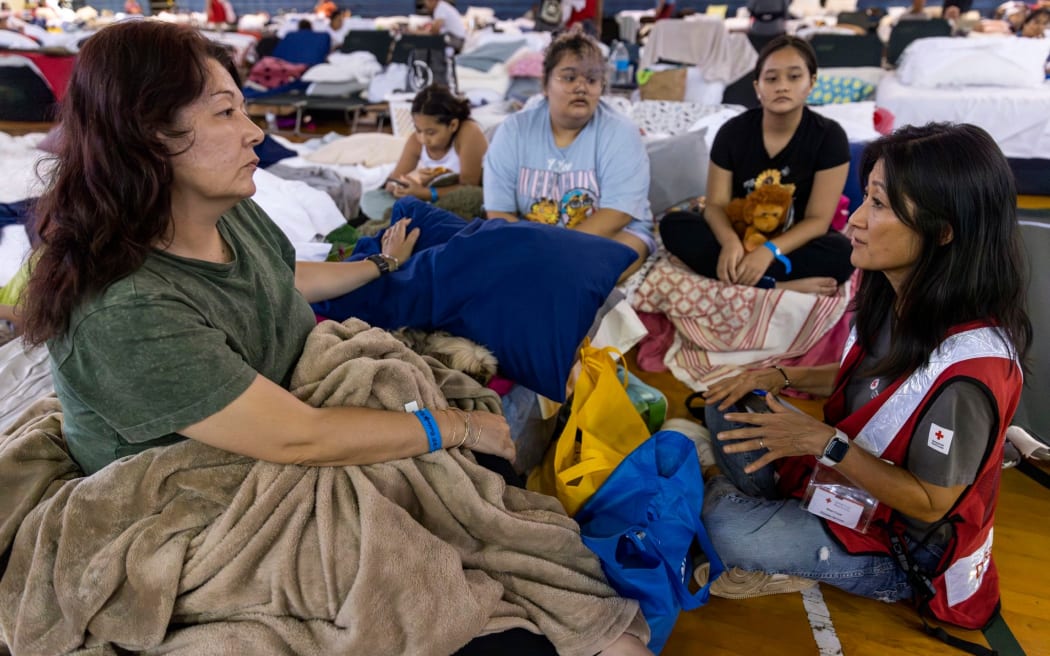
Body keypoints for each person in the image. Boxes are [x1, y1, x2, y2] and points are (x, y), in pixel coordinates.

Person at [18, 20, 651, 656]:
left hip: (284, 416)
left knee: (480, 496)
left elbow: (279, 275)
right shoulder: (128, 309)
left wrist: (378, 266)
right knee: (470, 604)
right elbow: (300, 436)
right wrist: (453, 425)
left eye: (244, 107)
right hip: (207, 492)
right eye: (225, 112)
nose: (256, 133)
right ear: (151, 134)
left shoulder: (224, 209)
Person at [697, 123, 1030, 632]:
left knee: (720, 526)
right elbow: (873, 382)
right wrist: (780, 373)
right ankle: (768, 509)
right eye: (866, 198)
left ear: (943, 231)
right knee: (725, 395)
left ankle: (753, 508)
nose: (853, 220)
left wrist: (822, 442)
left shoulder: (973, 370)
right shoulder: (891, 292)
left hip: (896, 546)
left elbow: (933, 501)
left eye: (878, 205)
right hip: (844, 480)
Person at [660, 35, 853, 296]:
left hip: (792, 244)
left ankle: (746, 278)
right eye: (771, 79)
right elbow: (716, 205)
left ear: (811, 83)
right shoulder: (732, 133)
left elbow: (818, 221)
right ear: (757, 87)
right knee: (673, 225)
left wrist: (768, 251)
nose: (782, 86)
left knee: (843, 253)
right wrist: (729, 243)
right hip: (740, 235)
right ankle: (776, 285)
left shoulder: (830, 137)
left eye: (794, 77)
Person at [483, 28, 654, 279]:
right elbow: (499, 212)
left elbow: (618, 213)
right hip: (533, 240)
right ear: (545, 84)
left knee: (578, 277)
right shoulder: (514, 131)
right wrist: (535, 248)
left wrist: (555, 249)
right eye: (569, 77)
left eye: (592, 79)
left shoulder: (621, 133)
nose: (581, 88)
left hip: (614, 235)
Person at [360, 84, 488, 221]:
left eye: (431, 132)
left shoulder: (468, 133)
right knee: (371, 198)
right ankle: (414, 219)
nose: (423, 139)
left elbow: (470, 188)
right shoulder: (416, 141)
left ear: (453, 125)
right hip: (428, 200)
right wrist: (405, 185)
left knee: (472, 200)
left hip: (461, 202)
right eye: (418, 130)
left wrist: (426, 193)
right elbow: (394, 181)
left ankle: (410, 220)